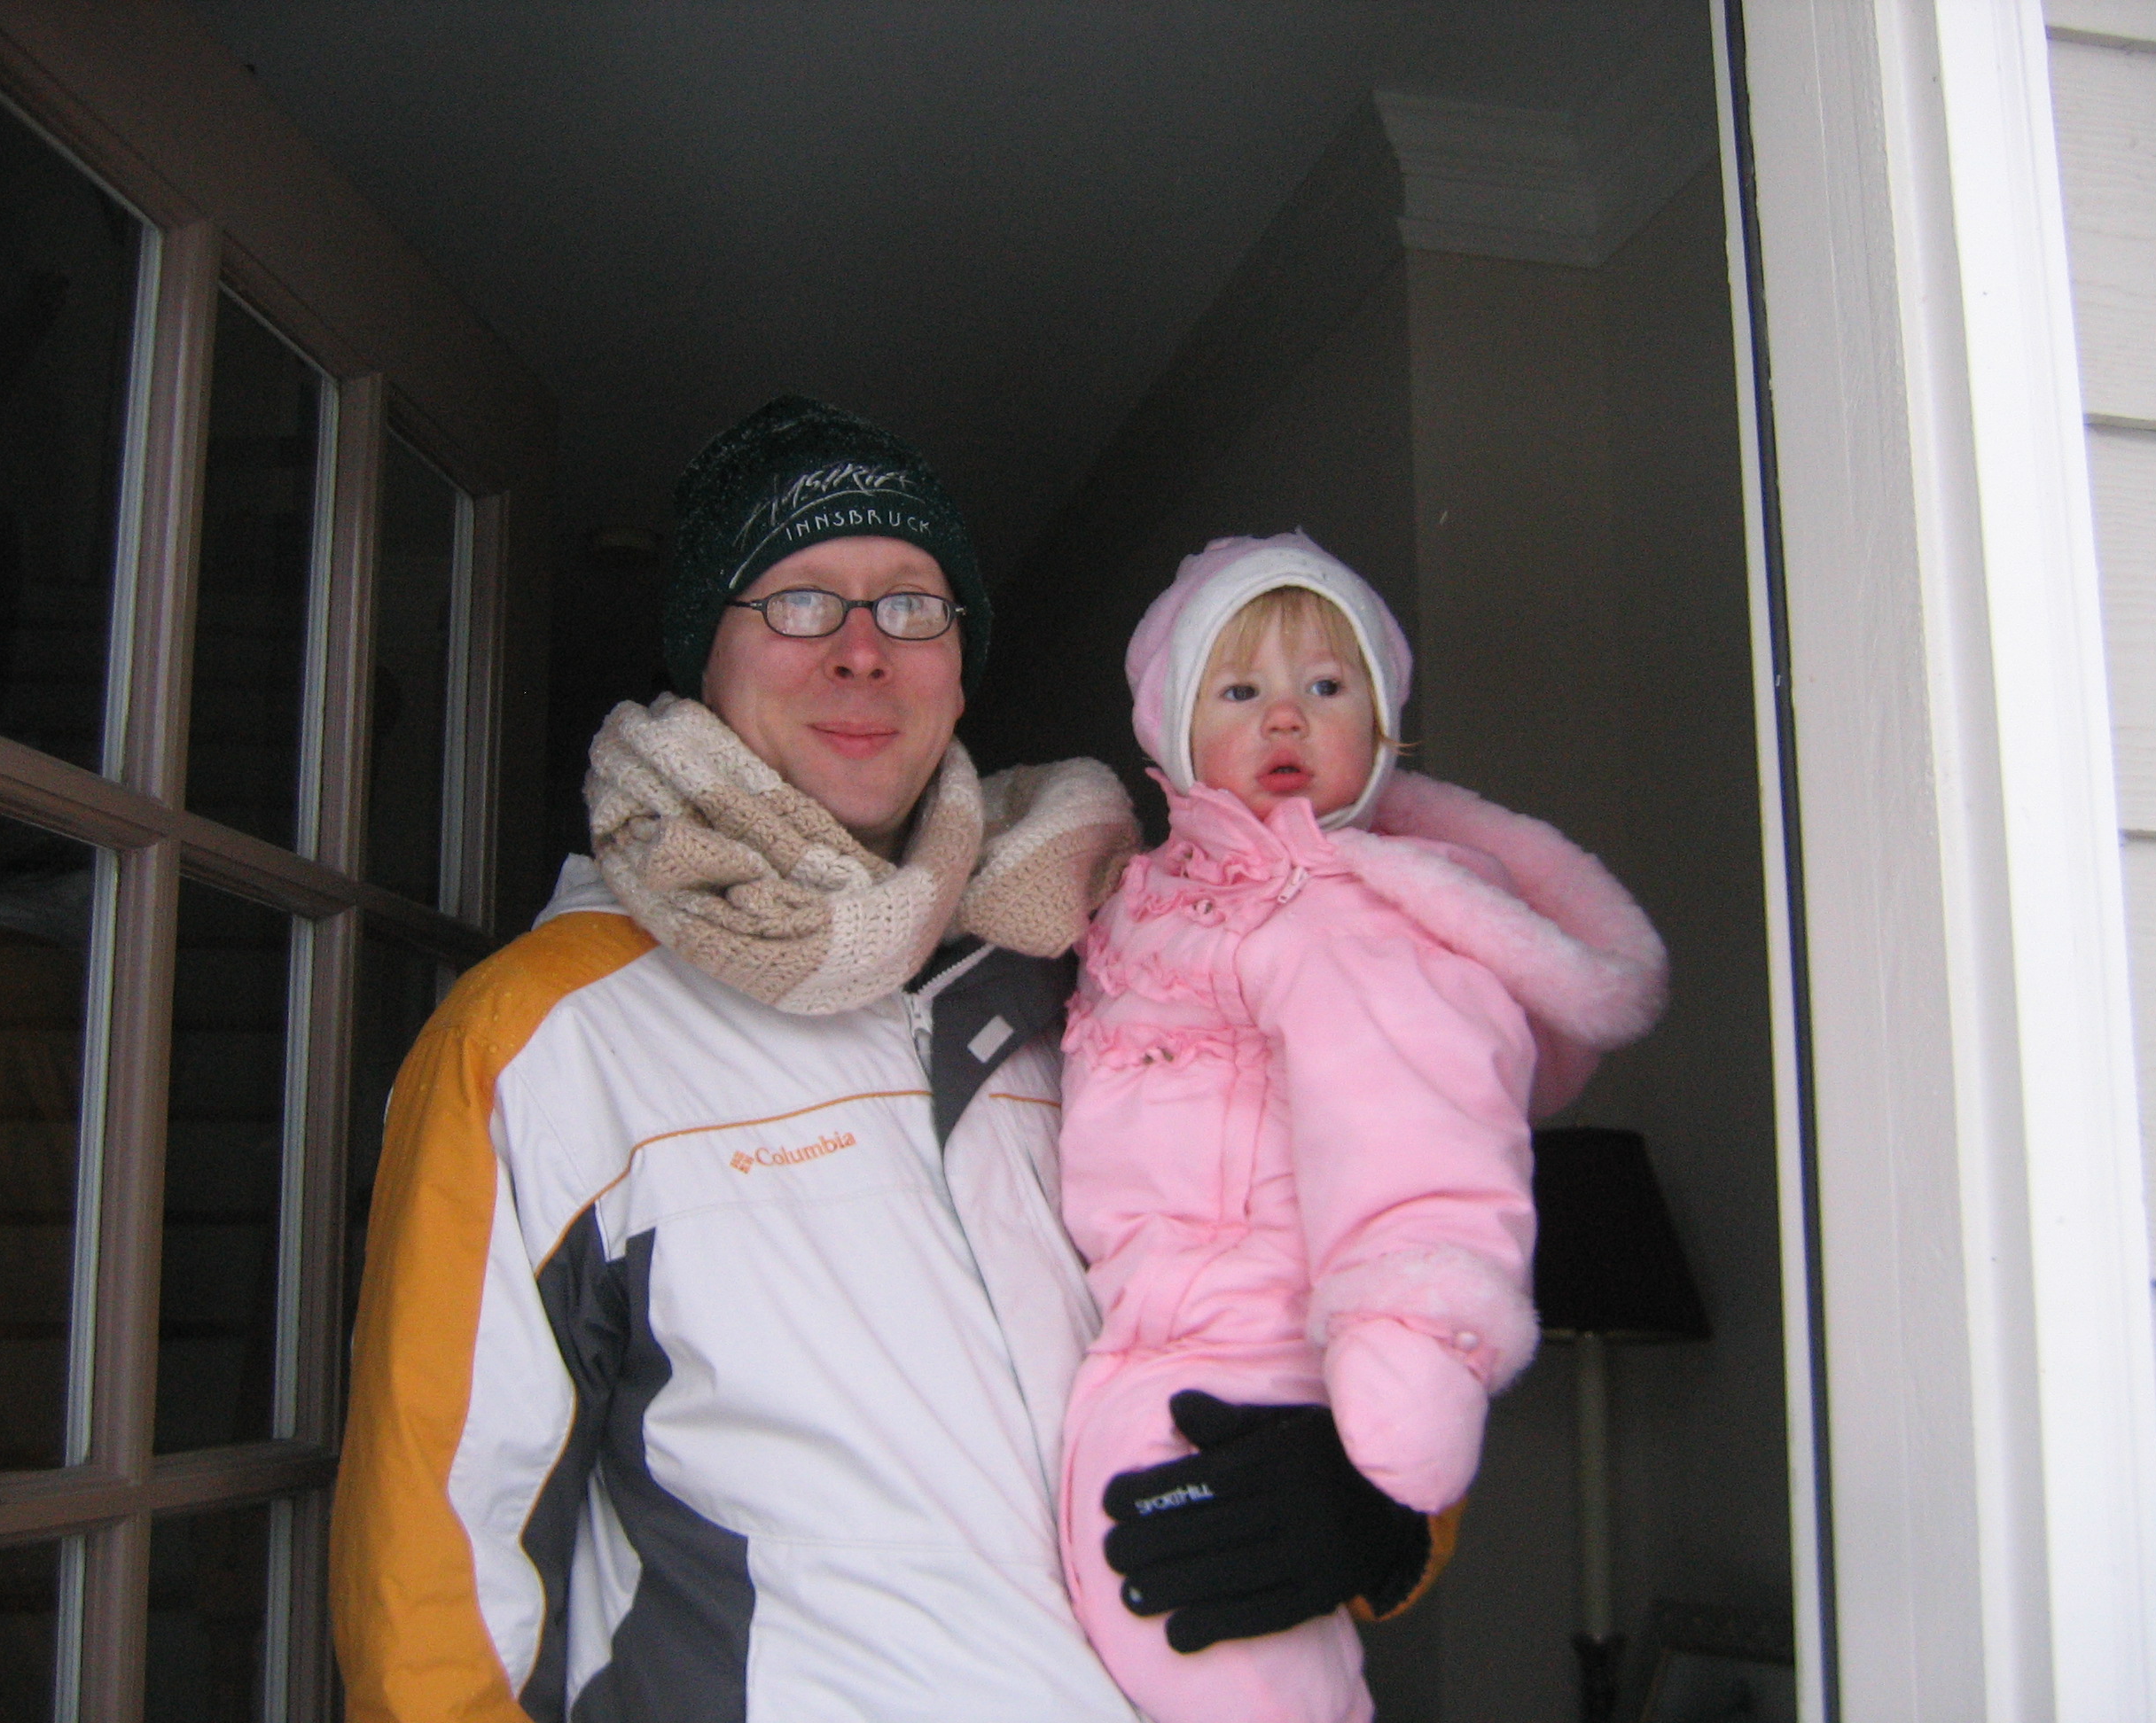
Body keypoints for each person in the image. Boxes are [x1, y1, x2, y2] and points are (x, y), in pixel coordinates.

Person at [329, 402, 1444, 1722]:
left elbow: (1383, 1240)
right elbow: (432, 1602)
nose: (861, 651)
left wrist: (1387, 1506)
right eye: (798, 600)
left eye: (912, 606)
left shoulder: (1118, 965)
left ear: (959, 667)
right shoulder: (544, 1039)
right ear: (704, 659)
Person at [1055, 534, 1668, 1723]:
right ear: (1171, 729)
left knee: (1234, 1673)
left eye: (1328, 687)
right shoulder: (1142, 904)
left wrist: (1413, 1345)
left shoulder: (1355, 921)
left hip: (1258, 1377)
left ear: (1385, 729)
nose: (1286, 717)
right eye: (1241, 690)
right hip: (1129, 1359)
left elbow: (1420, 1144)